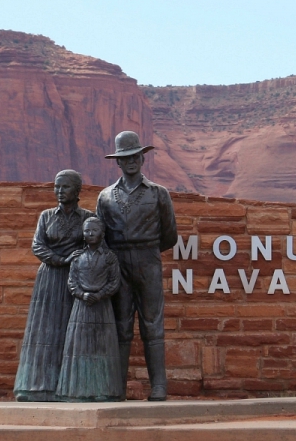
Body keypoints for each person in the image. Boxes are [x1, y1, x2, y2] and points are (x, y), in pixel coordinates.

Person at [96, 131, 177, 401]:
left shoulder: (158, 193)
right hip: (118, 261)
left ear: (142, 158)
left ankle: (159, 387)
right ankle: (116, 388)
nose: (130, 161)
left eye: (134, 155)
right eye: (124, 157)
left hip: (148, 259)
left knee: (153, 324)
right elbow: (101, 235)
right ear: (117, 162)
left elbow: (170, 235)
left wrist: (147, 251)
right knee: (120, 326)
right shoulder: (105, 197)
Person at [13, 170, 94, 402]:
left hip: (76, 280)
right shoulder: (47, 216)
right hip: (49, 278)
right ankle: (35, 386)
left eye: (65, 187)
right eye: (56, 187)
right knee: (44, 330)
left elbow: (96, 243)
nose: (59, 191)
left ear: (77, 191)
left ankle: (70, 387)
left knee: (72, 330)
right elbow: (37, 245)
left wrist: (77, 260)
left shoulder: (87, 217)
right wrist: (59, 260)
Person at [56, 217, 123, 402]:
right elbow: (72, 282)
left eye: (94, 230)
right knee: (79, 347)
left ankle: (104, 390)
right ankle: (77, 390)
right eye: (86, 231)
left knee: (103, 348)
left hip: (103, 307)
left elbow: (114, 281)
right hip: (81, 307)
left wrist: (101, 294)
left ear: (102, 233)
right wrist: (82, 295)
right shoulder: (78, 258)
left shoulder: (110, 258)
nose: (90, 234)